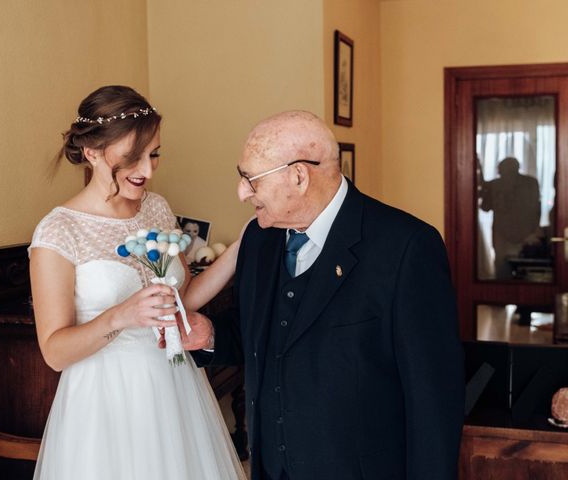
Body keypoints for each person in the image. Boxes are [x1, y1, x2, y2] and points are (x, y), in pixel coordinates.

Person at [182, 111, 465, 480]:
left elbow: (434, 403)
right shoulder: (258, 239)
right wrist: (210, 335)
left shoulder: (407, 247)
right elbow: (258, 333)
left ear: (299, 176)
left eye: (250, 179)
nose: (242, 192)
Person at [28, 85, 246, 480]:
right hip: (105, 400)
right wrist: (119, 317)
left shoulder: (156, 208)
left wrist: (242, 247)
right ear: (91, 153)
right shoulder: (59, 231)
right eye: (132, 157)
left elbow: (185, 298)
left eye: (154, 154)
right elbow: (54, 352)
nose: (147, 170)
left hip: (175, 384)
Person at [478, 156, 541, 279]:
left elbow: (485, 207)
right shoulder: (531, 183)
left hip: (505, 235)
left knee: (503, 273)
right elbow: (537, 209)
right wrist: (534, 230)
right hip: (524, 234)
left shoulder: (495, 185)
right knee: (524, 273)